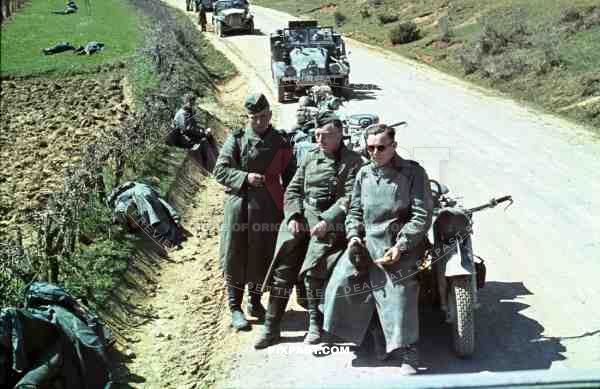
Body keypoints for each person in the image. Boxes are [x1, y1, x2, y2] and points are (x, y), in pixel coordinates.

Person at [323, 124, 433, 375]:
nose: (375, 152)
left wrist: (401, 245)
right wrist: (353, 237)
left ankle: (408, 349)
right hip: (368, 242)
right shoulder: (364, 173)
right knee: (341, 280)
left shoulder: (413, 173)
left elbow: (421, 215)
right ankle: (364, 334)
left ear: (393, 146)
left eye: (381, 147)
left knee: (398, 289)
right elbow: (354, 211)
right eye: (370, 147)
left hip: (401, 244)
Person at [254, 111, 364, 349]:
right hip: (303, 216)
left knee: (314, 267)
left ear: (340, 134)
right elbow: (292, 189)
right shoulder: (310, 156)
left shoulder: (353, 161)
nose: (320, 140)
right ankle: (271, 328)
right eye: (317, 135)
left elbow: (349, 198)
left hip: (329, 223)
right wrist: (293, 215)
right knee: (283, 268)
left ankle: (315, 322)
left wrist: (328, 220)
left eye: (326, 135)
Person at [213, 93, 296, 331]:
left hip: (269, 207)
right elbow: (220, 171)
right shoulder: (237, 140)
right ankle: (235, 307)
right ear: (247, 117)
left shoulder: (281, 141)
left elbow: (292, 176)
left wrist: (292, 205)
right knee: (235, 255)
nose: (259, 122)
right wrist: (244, 177)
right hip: (240, 205)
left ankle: (255, 301)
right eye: (254, 117)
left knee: (263, 254)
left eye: (263, 116)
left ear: (270, 115)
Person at [171, 92, 217, 171]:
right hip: (187, 140)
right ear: (186, 102)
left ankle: (216, 159)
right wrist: (203, 133)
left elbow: (193, 127)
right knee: (204, 142)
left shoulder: (188, 111)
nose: (192, 105)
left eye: (193, 103)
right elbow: (188, 130)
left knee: (208, 136)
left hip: (191, 136)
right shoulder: (182, 114)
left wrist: (203, 131)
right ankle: (212, 167)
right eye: (191, 103)